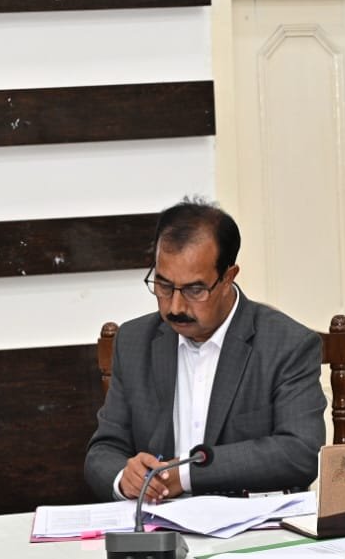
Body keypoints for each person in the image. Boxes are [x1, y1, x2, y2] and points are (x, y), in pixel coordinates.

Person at [85, 198, 326, 501]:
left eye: (194, 289)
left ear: (228, 278)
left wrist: (186, 475)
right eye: (163, 285)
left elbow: (299, 452)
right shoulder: (134, 341)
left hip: (248, 522)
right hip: (159, 520)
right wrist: (125, 478)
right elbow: (104, 451)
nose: (175, 306)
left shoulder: (286, 344)